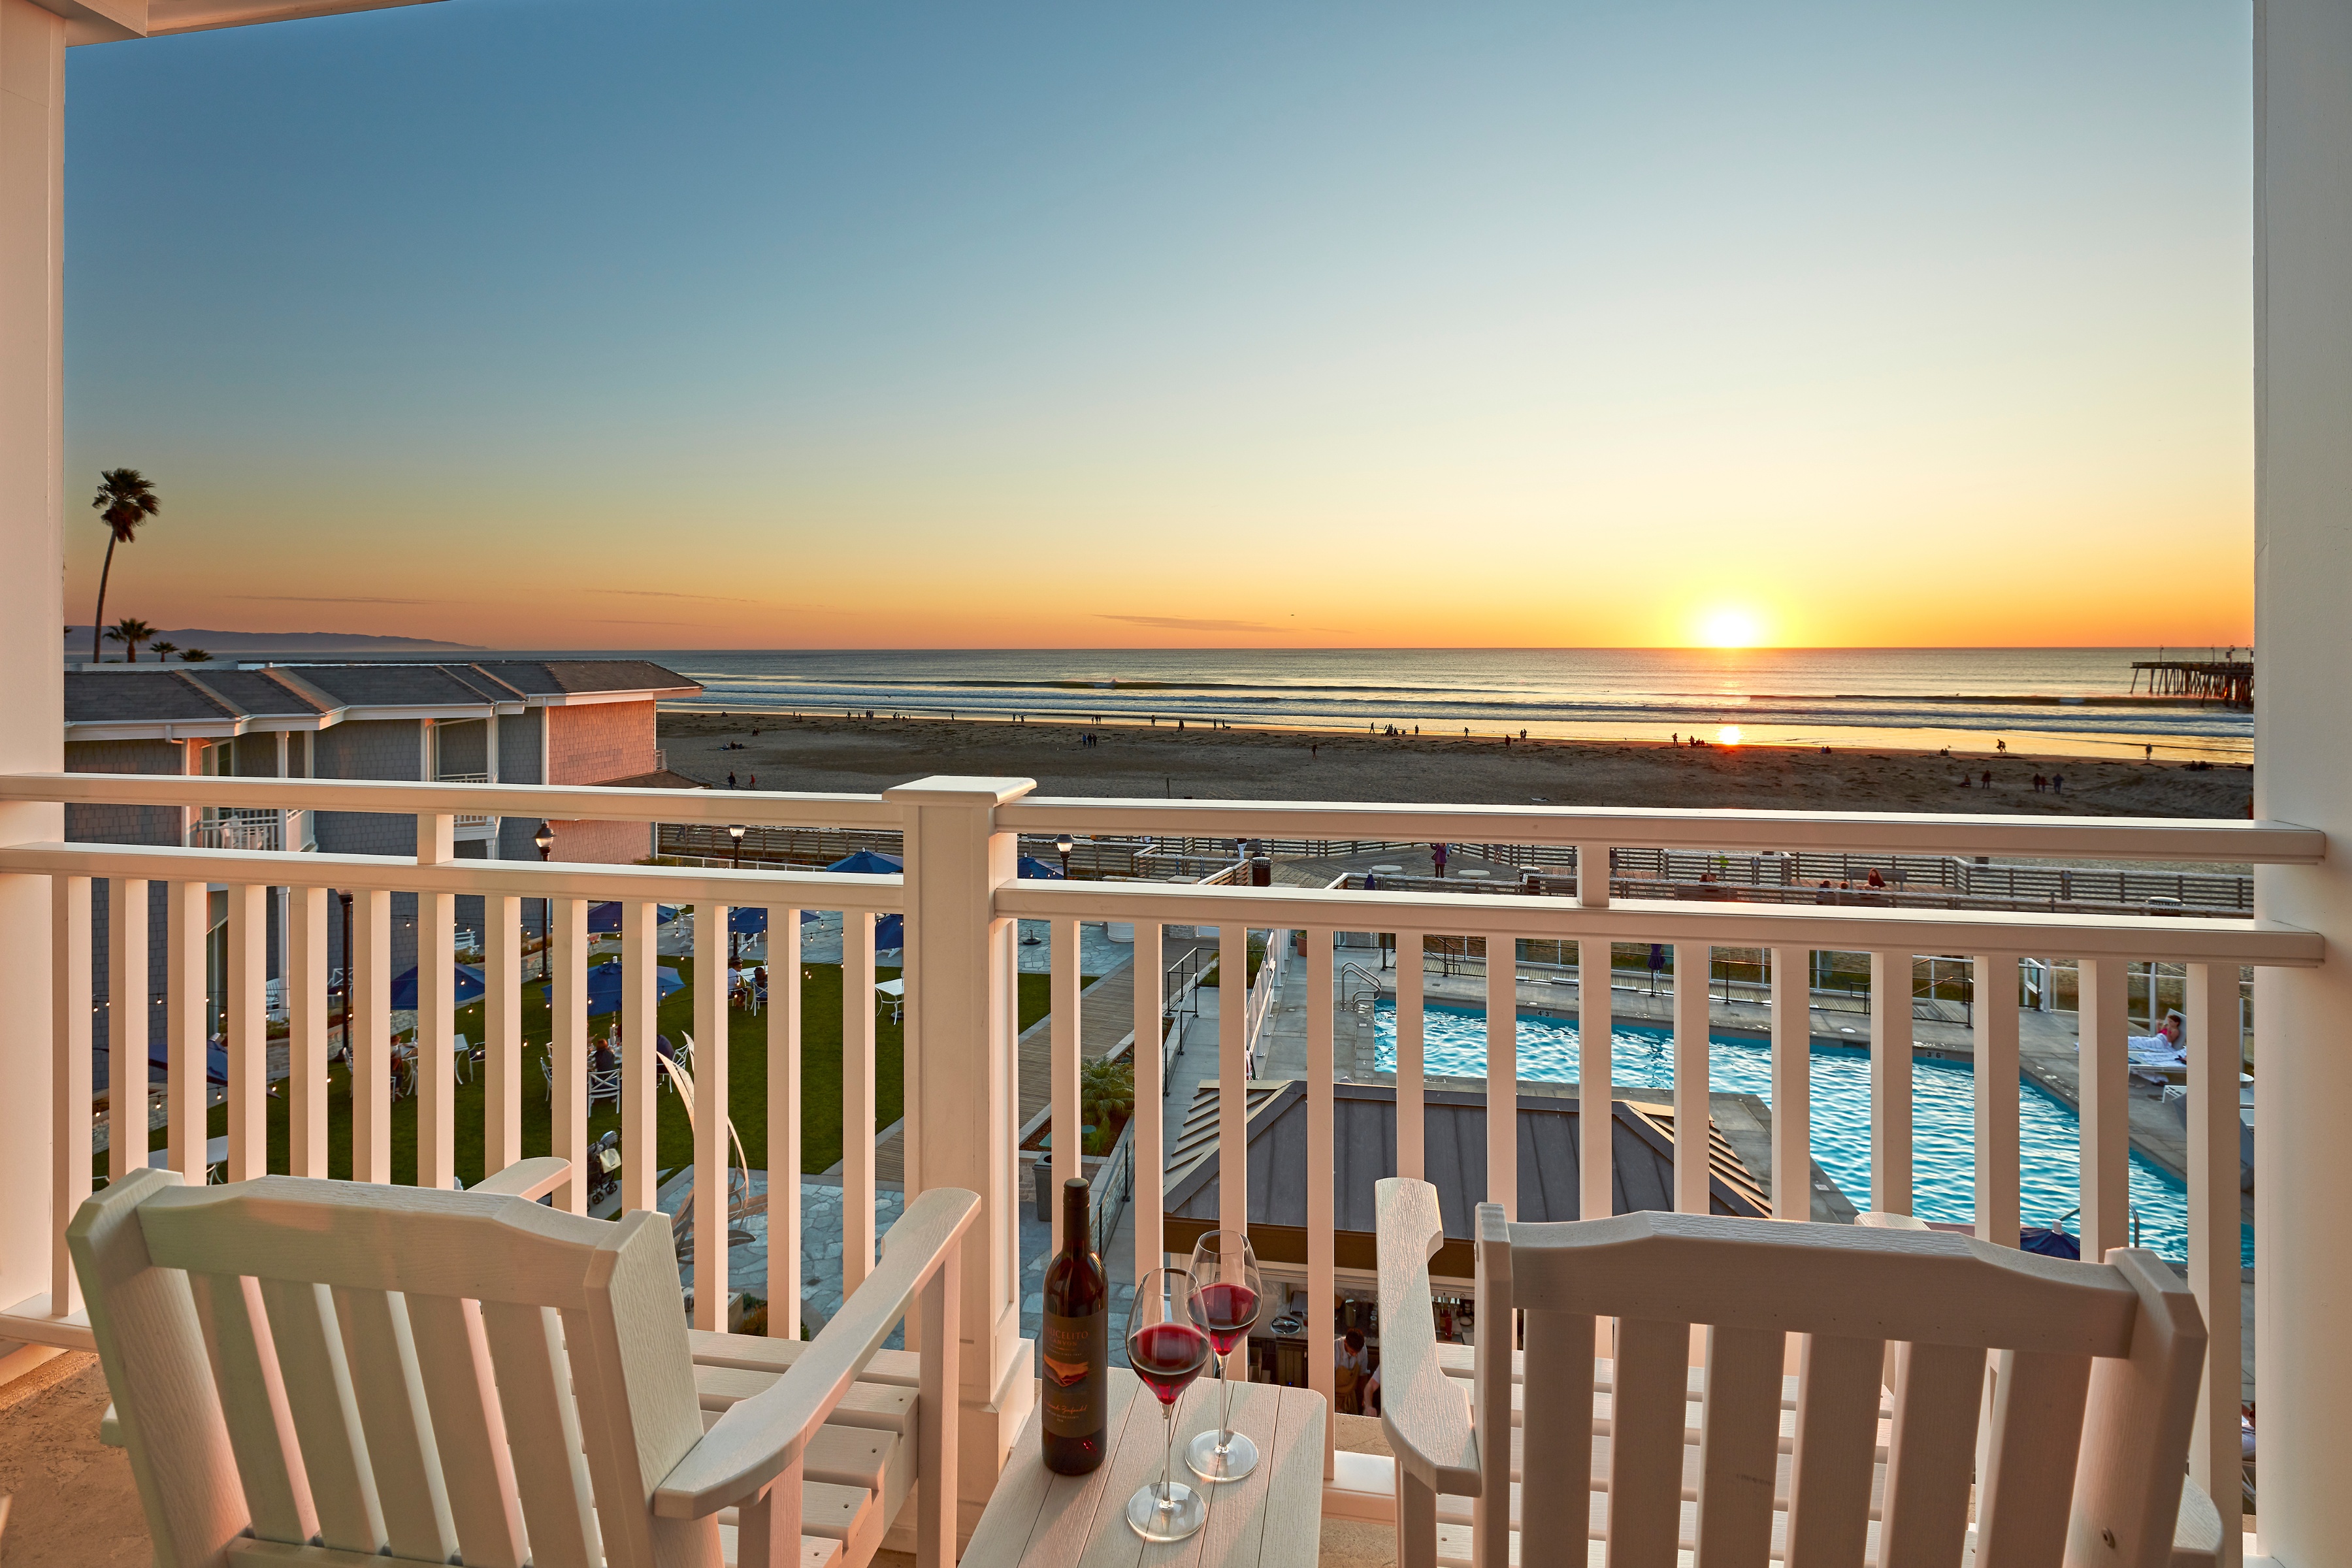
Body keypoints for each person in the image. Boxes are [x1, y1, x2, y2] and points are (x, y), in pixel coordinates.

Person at [1335, 1328, 1371, 1415]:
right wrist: (1335, 1407)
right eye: (1352, 1351)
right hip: (1333, 1396)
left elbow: (1363, 1375)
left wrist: (1365, 1397)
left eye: (1357, 1353)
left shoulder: (1362, 1350)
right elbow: (1326, 1382)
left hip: (1350, 1397)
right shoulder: (1334, 1350)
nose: (1355, 1355)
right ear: (1345, 1343)